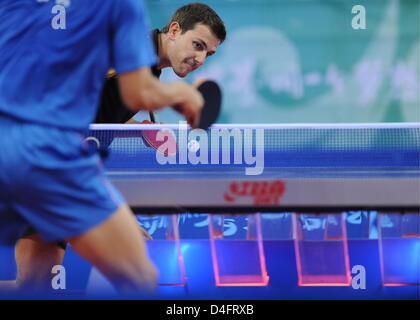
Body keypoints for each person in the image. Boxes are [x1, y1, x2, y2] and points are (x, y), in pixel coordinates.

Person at [3, 2, 226, 293]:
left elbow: (96, 101)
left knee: (35, 284)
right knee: (139, 274)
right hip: (52, 163)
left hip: (31, 160)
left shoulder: (148, 67)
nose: (199, 58)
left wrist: (140, 129)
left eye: (207, 53)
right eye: (197, 45)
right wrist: (181, 96)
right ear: (174, 30)